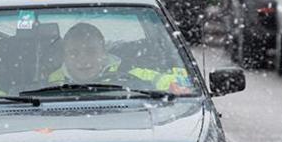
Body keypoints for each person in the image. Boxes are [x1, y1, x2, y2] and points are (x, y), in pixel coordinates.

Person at [48, 22, 192, 92]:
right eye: (73, 53)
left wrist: (180, 86)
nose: (83, 60)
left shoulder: (130, 73)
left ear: (104, 52)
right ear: (64, 56)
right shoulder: (49, 84)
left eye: (91, 51)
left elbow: (164, 80)